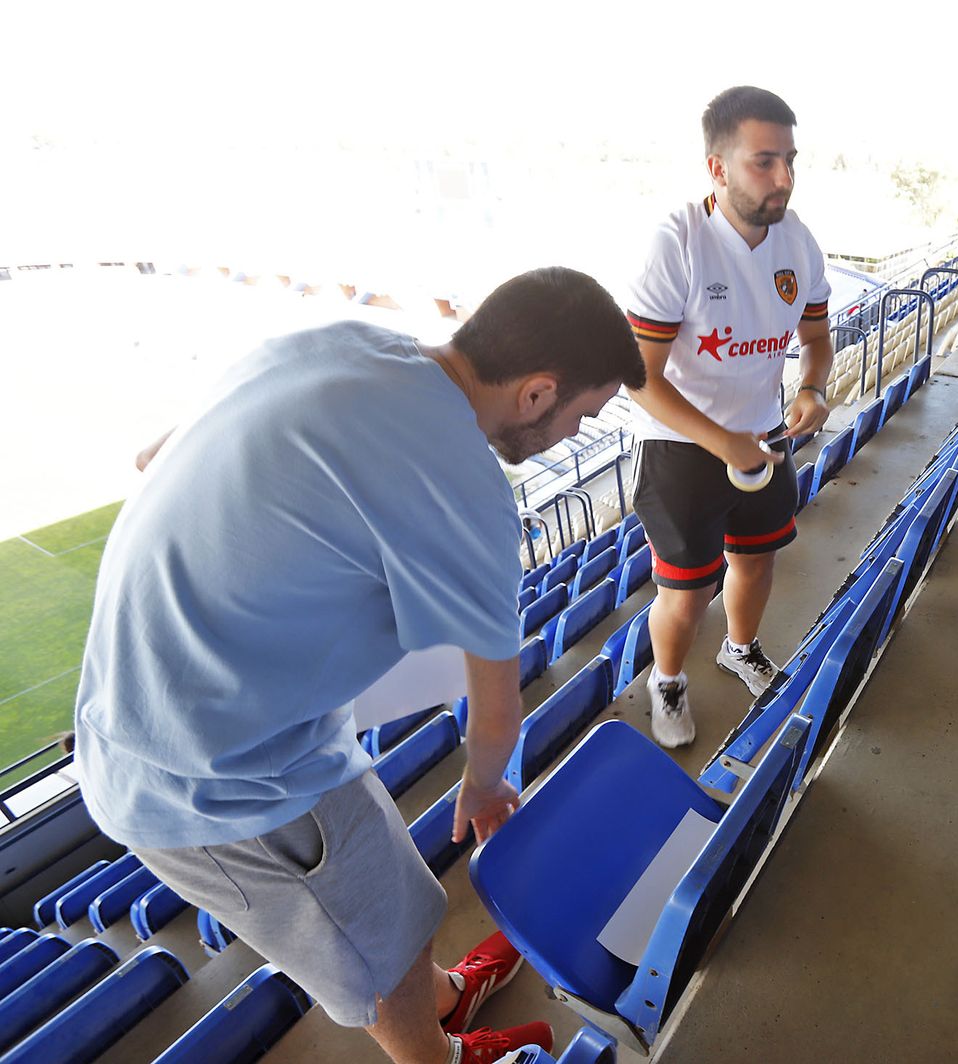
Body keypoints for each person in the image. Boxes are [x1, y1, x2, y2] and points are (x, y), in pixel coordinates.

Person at [75, 268, 647, 1064]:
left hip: (216, 720)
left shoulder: (339, 340)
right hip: (214, 782)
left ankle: (446, 994)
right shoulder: (469, 488)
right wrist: (483, 787)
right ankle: (438, 1054)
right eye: (581, 416)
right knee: (372, 957)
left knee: (398, 903)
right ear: (536, 393)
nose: (574, 435)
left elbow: (154, 453)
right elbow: (495, 709)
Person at [625, 85, 834, 749]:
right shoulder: (677, 242)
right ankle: (667, 678)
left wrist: (814, 388)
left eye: (790, 160)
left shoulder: (798, 242)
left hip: (764, 437)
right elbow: (641, 379)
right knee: (685, 594)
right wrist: (727, 443)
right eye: (764, 161)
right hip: (683, 446)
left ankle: (739, 648)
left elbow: (818, 338)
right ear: (717, 168)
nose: (784, 178)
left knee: (758, 561)